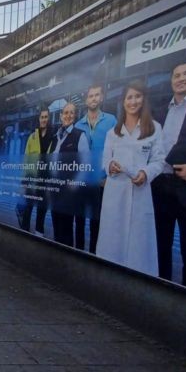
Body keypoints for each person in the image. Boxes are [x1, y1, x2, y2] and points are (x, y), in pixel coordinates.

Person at [96, 81, 165, 274]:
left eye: (137, 96)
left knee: (139, 247)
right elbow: (105, 161)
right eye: (129, 97)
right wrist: (111, 166)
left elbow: (159, 161)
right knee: (112, 243)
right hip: (115, 193)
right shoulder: (113, 133)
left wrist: (145, 173)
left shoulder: (154, 129)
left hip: (140, 192)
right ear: (123, 101)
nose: (133, 101)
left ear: (143, 100)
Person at [151, 58, 186, 288]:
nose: (181, 79)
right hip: (161, 186)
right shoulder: (161, 108)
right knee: (160, 247)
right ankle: (161, 291)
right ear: (171, 80)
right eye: (177, 75)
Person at [74, 84, 117, 253]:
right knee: (79, 220)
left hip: (101, 181)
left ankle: (94, 253)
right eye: (90, 96)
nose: (93, 98)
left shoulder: (112, 121)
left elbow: (116, 149)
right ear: (86, 100)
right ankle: (78, 251)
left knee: (96, 221)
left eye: (96, 95)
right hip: (82, 181)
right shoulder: (78, 125)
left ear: (102, 97)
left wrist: (107, 176)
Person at [48, 102, 89, 247]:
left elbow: (85, 165)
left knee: (66, 228)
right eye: (65, 113)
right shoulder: (56, 137)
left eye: (71, 113)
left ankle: (66, 261)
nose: (68, 116)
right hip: (55, 189)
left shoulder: (79, 136)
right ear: (60, 116)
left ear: (75, 116)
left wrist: (75, 185)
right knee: (56, 225)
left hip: (70, 192)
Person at [16, 106, 55, 234]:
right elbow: (26, 160)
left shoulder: (54, 137)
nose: (44, 119)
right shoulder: (32, 137)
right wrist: (23, 181)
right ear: (39, 119)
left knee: (42, 209)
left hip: (45, 180)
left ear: (49, 118)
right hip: (32, 179)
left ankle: (39, 233)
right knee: (28, 207)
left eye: (46, 117)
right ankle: (25, 230)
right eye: (42, 117)